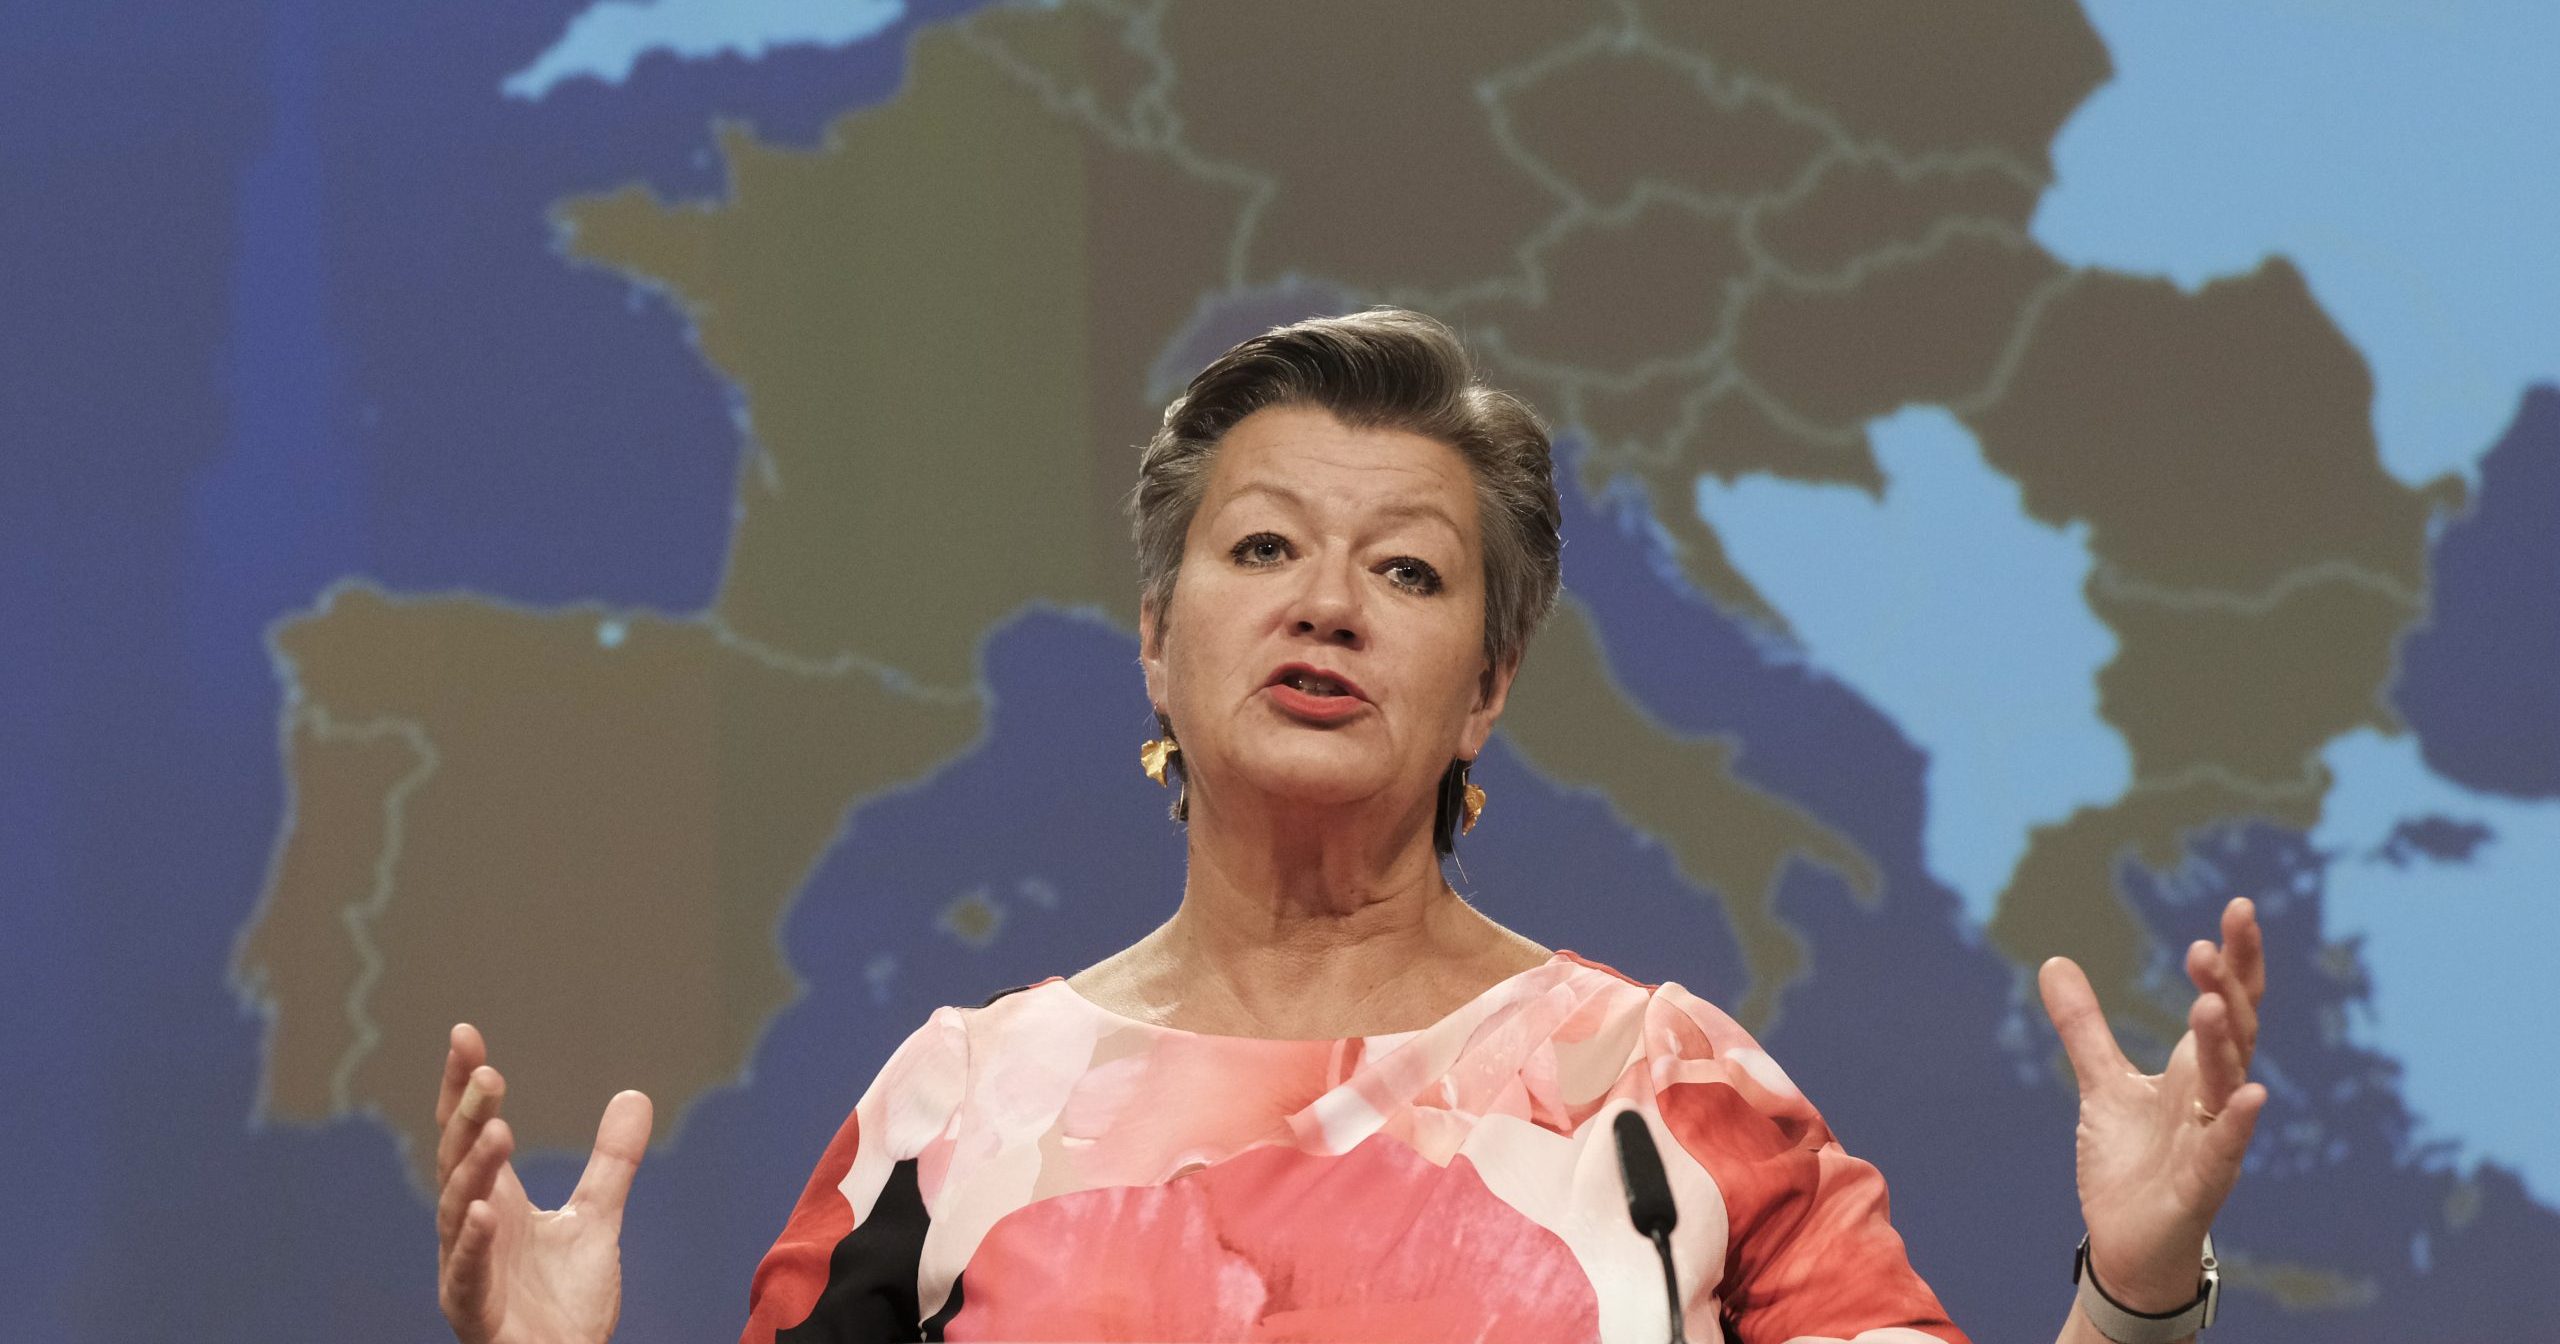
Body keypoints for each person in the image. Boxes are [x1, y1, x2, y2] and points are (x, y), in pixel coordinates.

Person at [432, 309, 2268, 1343]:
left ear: (1485, 688)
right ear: (1157, 645)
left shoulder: (1665, 1091)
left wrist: (2143, 1284)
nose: (1326, 605)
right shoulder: (954, 1109)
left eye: (1405, 569)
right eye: (1260, 551)